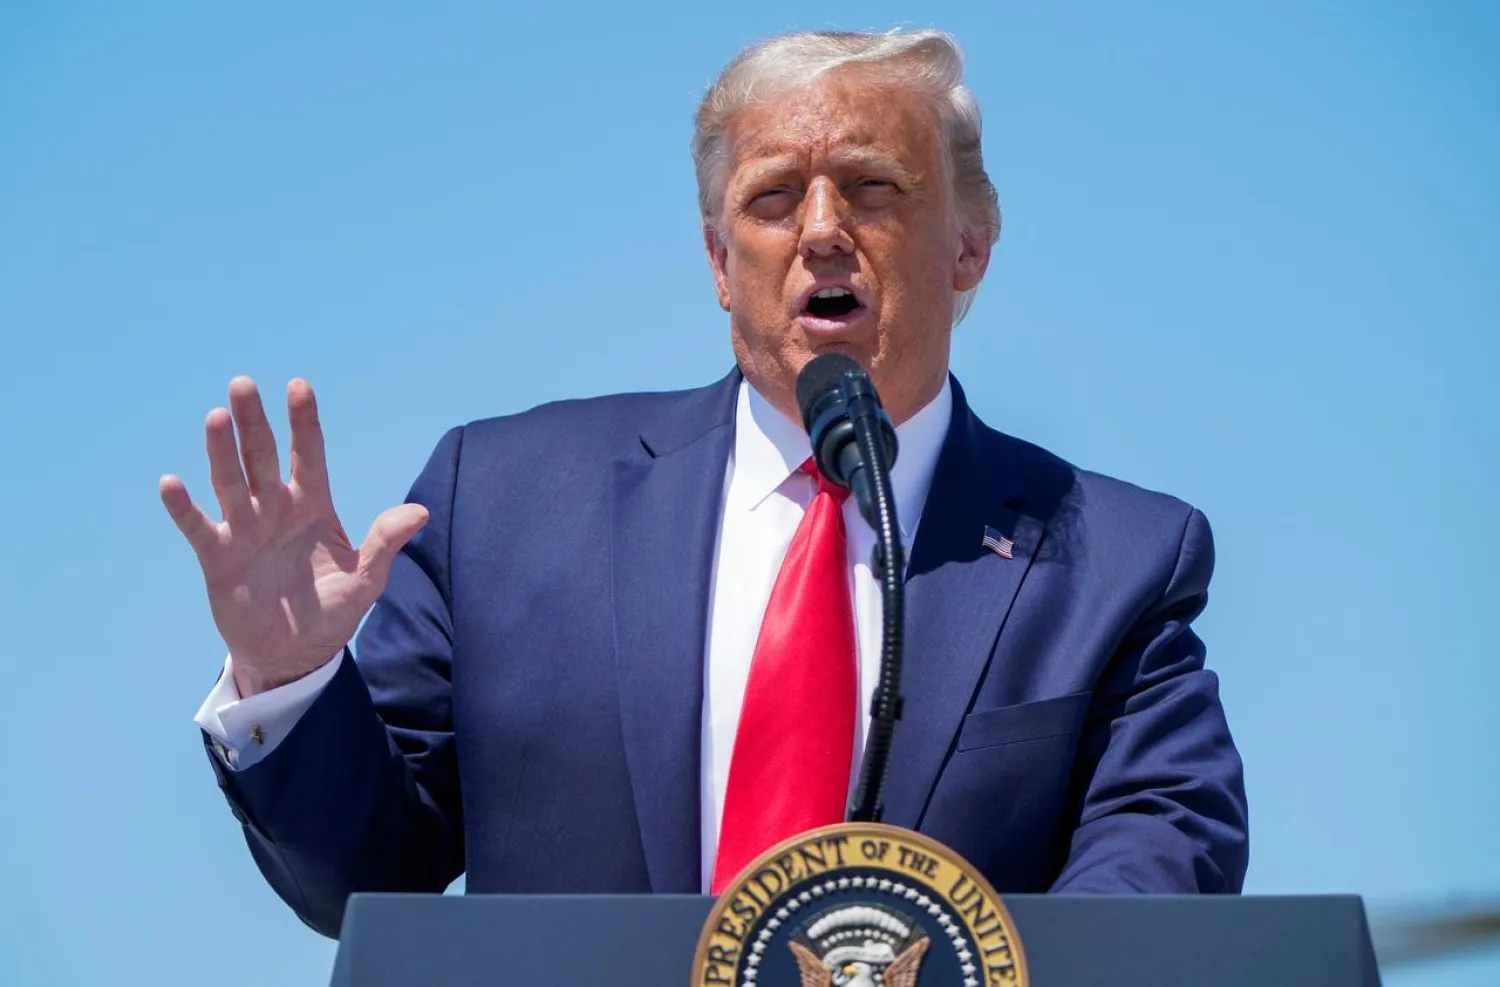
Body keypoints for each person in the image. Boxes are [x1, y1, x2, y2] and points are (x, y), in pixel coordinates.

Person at [162, 29, 1248, 938]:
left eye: (872, 186)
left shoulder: (1116, 558)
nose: (822, 230)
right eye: (774, 199)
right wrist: (293, 676)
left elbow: (1157, 865)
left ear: (970, 244)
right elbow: (360, 881)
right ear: (721, 265)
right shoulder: (499, 501)